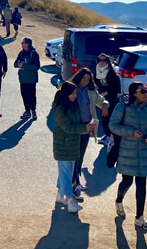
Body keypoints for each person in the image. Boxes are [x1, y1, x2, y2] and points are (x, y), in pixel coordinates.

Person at [109, 81, 147, 230]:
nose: (146, 94)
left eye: (146, 91)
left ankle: (139, 217)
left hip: (143, 151)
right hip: (127, 150)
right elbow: (113, 125)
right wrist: (130, 132)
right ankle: (119, 200)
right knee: (127, 181)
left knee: (142, 184)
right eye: (142, 91)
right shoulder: (123, 106)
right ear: (134, 93)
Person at [53, 81, 98, 214]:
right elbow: (67, 127)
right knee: (67, 172)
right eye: (73, 93)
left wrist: (87, 125)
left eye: (75, 93)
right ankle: (70, 200)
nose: (75, 95)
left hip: (72, 143)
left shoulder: (72, 105)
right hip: (64, 144)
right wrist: (85, 128)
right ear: (66, 94)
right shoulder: (60, 108)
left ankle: (61, 194)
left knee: (66, 171)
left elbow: (75, 123)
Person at [68, 68, 109, 198]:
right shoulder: (72, 88)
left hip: (86, 129)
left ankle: (76, 182)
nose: (85, 81)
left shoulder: (91, 91)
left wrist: (105, 105)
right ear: (78, 77)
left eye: (88, 79)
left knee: (80, 156)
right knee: (72, 157)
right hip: (74, 128)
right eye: (83, 78)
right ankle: (72, 184)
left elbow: (101, 100)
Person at [94, 53, 121, 145]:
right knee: (103, 116)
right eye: (100, 60)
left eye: (104, 60)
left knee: (109, 116)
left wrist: (105, 93)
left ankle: (110, 137)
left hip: (110, 97)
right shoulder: (96, 70)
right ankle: (106, 134)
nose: (101, 62)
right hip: (101, 97)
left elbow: (114, 87)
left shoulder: (111, 72)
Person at [15, 37, 41, 120]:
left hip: (31, 79)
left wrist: (24, 65)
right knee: (24, 95)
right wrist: (18, 64)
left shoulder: (34, 54)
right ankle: (27, 111)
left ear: (27, 44)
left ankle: (33, 111)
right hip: (23, 79)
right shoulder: (21, 53)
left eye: (23, 42)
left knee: (32, 95)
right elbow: (15, 63)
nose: (21, 44)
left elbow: (36, 66)